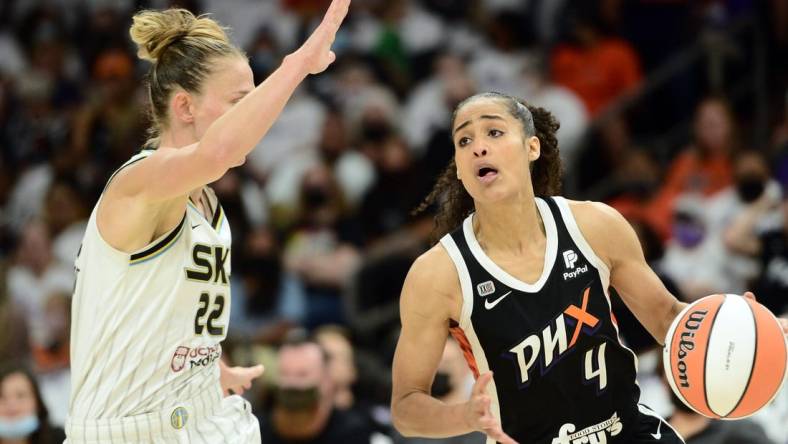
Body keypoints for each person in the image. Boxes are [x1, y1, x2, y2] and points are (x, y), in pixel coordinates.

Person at [390, 92, 788, 444]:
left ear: (532, 147)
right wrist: (463, 415)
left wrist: (736, 325)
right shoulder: (438, 274)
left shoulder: (595, 226)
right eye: (464, 140)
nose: (478, 146)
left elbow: (668, 320)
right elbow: (406, 407)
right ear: (459, 169)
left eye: (493, 132)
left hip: (627, 432)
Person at [65, 2, 350, 443]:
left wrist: (209, 366)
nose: (257, 115)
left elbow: (166, 309)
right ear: (185, 107)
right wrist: (297, 66)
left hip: (203, 417)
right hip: (125, 431)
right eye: (242, 101)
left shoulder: (210, 204)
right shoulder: (139, 182)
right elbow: (216, 153)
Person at [258, 338, 378, 444]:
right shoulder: (257, 430)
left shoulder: (352, 432)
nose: (292, 383)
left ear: (327, 380)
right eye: (284, 374)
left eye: (302, 375)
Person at [0, 362, 65, 444]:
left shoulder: (62, 439)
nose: (12, 405)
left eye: (20, 396)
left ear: (37, 403)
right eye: (1, 396)